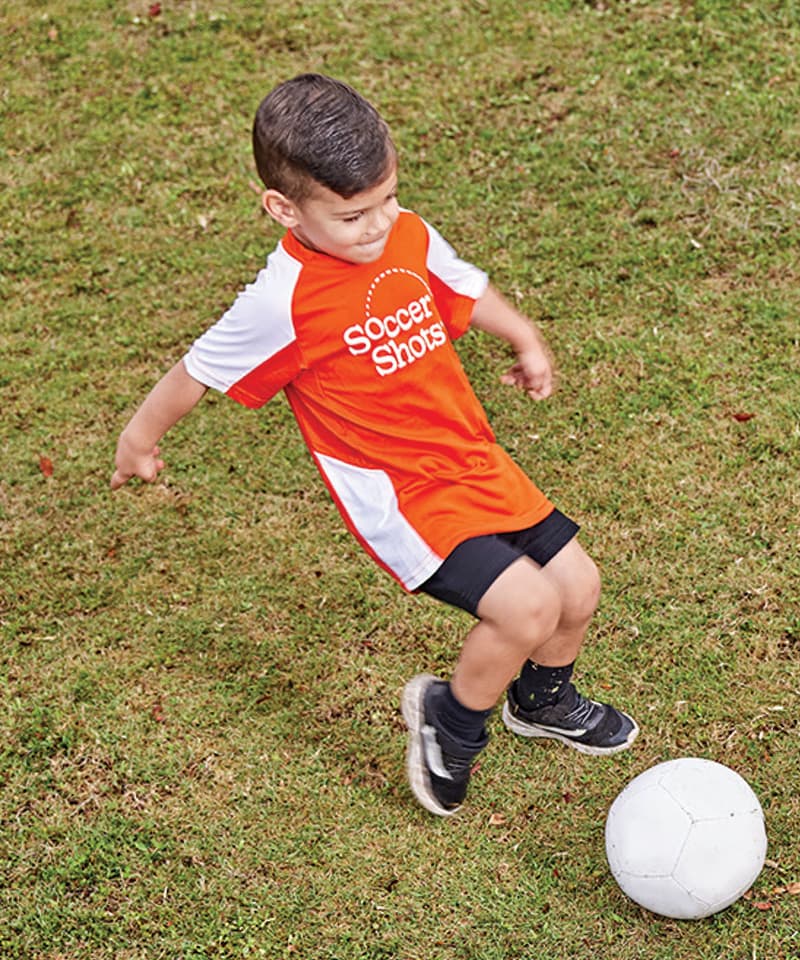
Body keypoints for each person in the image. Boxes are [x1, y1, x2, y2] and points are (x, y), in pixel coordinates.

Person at [111, 73, 637, 817]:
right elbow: (198, 369)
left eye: (389, 198)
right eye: (355, 214)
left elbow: (459, 285)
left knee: (577, 588)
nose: (380, 224)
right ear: (284, 209)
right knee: (525, 609)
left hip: (470, 456)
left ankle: (542, 701)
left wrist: (521, 334)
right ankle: (450, 722)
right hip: (401, 494)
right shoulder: (281, 300)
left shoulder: (407, 233)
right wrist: (139, 438)